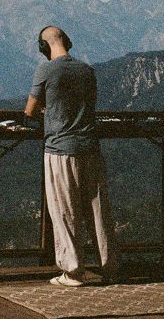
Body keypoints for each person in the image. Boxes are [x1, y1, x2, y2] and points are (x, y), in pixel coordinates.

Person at [25, 25, 120, 286]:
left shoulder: (46, 69)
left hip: (60, 148)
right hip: (90, 147)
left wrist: (48, 111)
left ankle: (73, 270)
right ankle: (110, 266)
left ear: (44, 47)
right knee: (98, 210)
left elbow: (30, 110)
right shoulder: (87, 71)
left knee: (64, 210)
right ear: (67, 41)